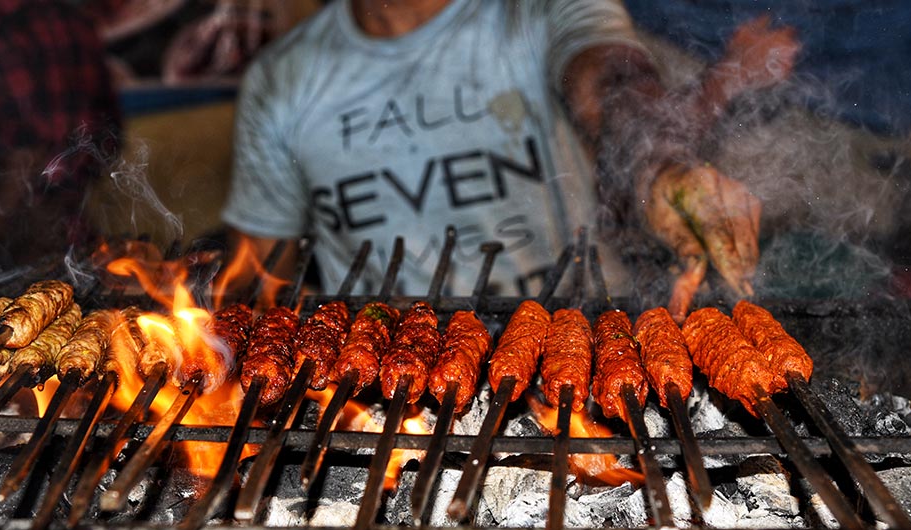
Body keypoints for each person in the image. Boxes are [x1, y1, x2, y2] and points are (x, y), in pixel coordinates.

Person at [221, 0, 798, 317]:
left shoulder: (537, 11)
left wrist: (659, 163)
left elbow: (610, 80)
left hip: (584, 333)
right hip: (393, 380)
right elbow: (258, 268)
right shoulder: (281, 81)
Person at [0, 0, 122, 271]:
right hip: (77, 247)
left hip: (3, 260)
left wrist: (3, 216)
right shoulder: (72, 18)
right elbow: (107, 137)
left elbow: (30, 154)